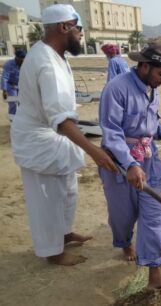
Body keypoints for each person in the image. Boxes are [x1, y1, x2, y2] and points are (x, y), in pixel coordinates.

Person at [10, 4, 117, 266]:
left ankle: (65, 234)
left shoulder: (54, 54)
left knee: (67, 190)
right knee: (47, 198)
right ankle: (53, 252)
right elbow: (61, 121)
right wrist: (96, 153)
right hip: (39, 138)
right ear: (64, 27)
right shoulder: (46, 61)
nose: (82, 35)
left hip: (52, 136)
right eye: (79, 29)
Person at [99, 43, 161, 288]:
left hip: (149, 162)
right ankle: (125, 242)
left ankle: (154, 276)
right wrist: (129, 163)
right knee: (122, 216)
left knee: (154, 217)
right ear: (145, 66)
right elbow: (112, 133)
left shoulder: (152, 89)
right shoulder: (116, 89)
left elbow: (150, 127)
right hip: (119, 165)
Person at [2, 49, 25, 119]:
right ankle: (12, 120)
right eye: (21, 58)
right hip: (10, 85)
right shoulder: (9, 64)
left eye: (24, 58)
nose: (23, 60)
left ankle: (21, 119)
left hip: (19, 85)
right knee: (13, 103)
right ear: (16, 57)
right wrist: (4, 90)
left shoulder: (24, 64)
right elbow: (5, 77)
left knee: (22, 103)